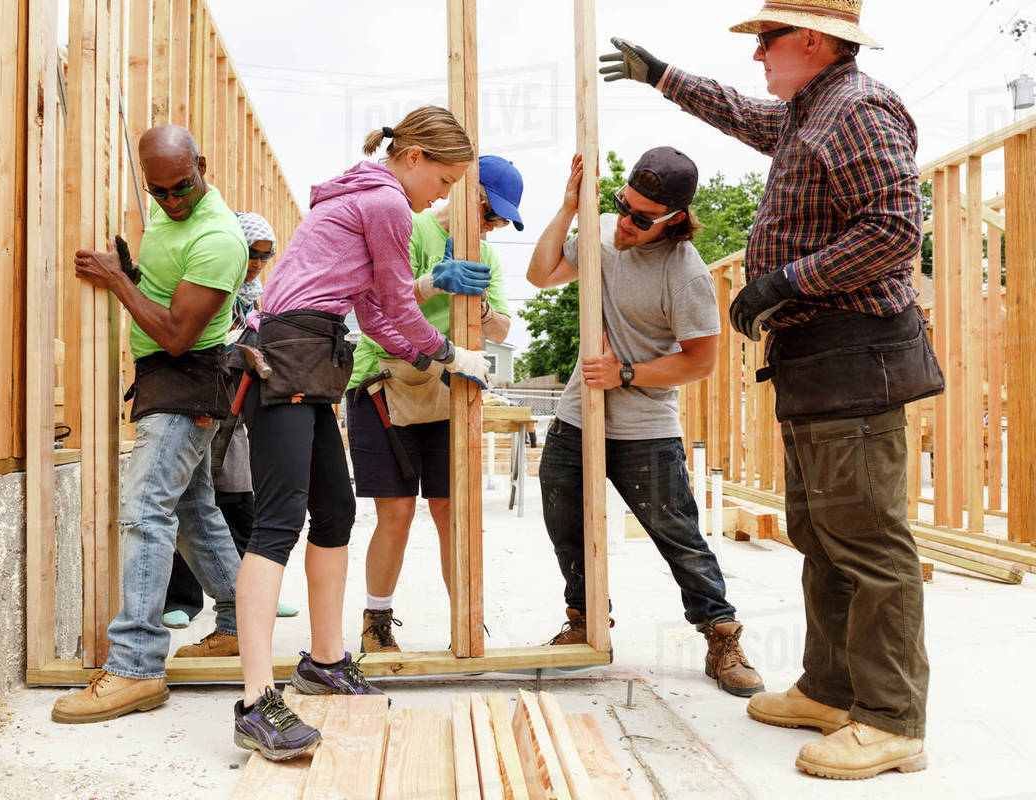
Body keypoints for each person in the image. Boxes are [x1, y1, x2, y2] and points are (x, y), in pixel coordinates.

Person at [599, 0, 943, 779]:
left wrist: (789, 279)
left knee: (868, 543)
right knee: (822, 534)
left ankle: (891, 720)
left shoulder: (859, 109)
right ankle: (831, 687)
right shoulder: (811, 112)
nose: (758, 54)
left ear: (813, 41)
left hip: (858, 358)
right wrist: (665, 78)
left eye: (767, 39)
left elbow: (894, 229)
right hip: (818, 359)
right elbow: (747, 117)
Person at [232, 105, 492, 762]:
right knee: (276, 525)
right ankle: (255, 701)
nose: (447, 194)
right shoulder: (388, 203)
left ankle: (324, 660)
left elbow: (375, 315)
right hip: (287, 352)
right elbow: (402, 305)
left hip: (313, 354)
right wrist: (452, 354)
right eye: (447, 179)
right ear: (414, 160)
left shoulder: (366, 196)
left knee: (337, 512)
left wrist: (431, 354)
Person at [528, 148, 764, 699]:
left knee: (677, 535)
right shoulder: (606, 236)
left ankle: (721, 635)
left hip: (646, 427)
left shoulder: (686, 275)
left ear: (674, 220)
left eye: (641, 217)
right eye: (622, 207)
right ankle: (586, 621)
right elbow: (540, 275)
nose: (626, 224)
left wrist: (626, 373)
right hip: (576, 417)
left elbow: (700, 361)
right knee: (566, 524)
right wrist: (567, 208)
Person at [52, 125, 247, 724]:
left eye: (182, 188)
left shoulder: (219, 236)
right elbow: (162, 294)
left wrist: (115, 280)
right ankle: (244, 623)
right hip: (165, 376)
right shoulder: (165, 210)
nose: (171, 201)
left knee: (143, 509)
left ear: (202, 165)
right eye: (159, 191)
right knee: (192, 510)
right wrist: (134, 276)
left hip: (190, 376)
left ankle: (136, 665)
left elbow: (178, 334)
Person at [347, 155, 522, 653]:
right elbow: (381, 307)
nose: (491, 227)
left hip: (446, 391)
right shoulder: (408, 225)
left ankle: (466, 620)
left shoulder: (486, 256)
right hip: (384, 384)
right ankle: (376, 620)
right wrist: (431, 284)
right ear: (467, 191)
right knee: (397, 513)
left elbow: (503, 329)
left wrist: (481, 304)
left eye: (499, 222)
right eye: (490, 213)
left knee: (452, 512)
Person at [162, 212, 297, 646]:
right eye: (251, 254)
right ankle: (183, 600)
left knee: (232, 501)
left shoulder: (255, 299)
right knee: (189, 503)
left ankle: (251, 592)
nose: (256, 263)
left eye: (265, 255)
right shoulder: (211, 285)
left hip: (232, 408)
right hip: (199, 398)